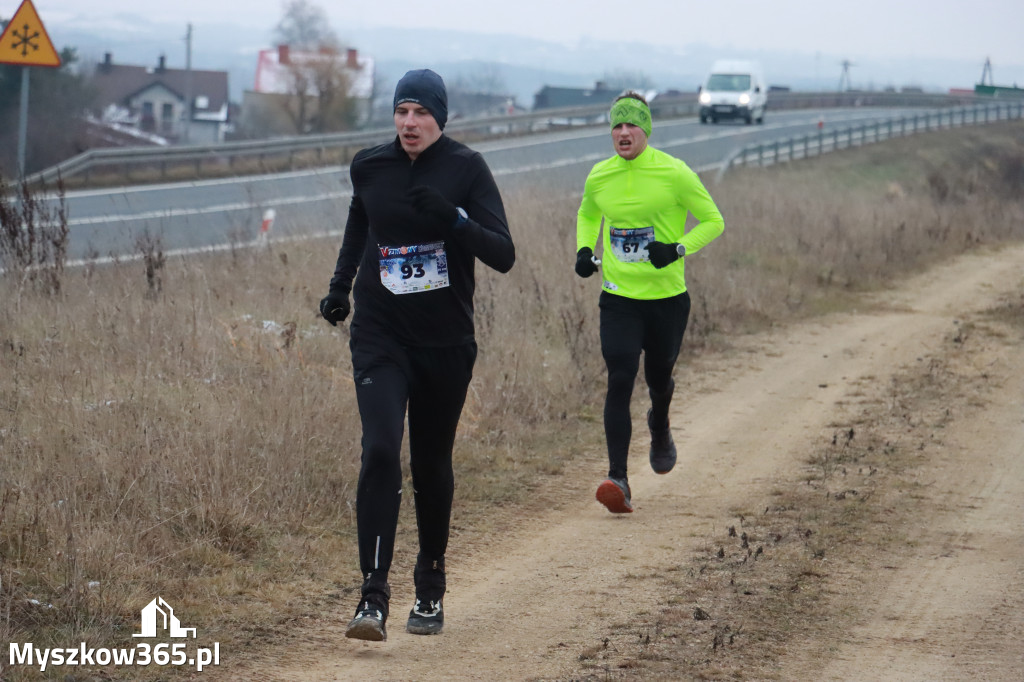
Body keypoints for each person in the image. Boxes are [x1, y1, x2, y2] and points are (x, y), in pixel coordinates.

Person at [319, 69, 515, 641]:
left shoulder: (467, 169)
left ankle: (429, 586)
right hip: (381, 335)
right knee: (380, 450)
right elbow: (362, 218)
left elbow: (503, 253)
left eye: (420, 113)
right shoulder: (370, 165)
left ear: (440, 118)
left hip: (445, 342)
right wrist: (339, 286)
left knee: (430, 464)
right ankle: (372, 597)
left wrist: (454, 219)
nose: (409, 123)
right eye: (401, 112)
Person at [575, 91, 724, 514]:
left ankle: (659, 424)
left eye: (631, 125)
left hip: (667, 300)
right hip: (619, 298)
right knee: (620, 376)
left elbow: (714, 220)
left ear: (646, 130)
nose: (623, 133)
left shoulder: (673, 173)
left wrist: (676, 249)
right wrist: (586, 251)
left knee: (659, 379)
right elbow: (588, 214)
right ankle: (617, 478)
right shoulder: (599, 176)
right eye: (616, 126)